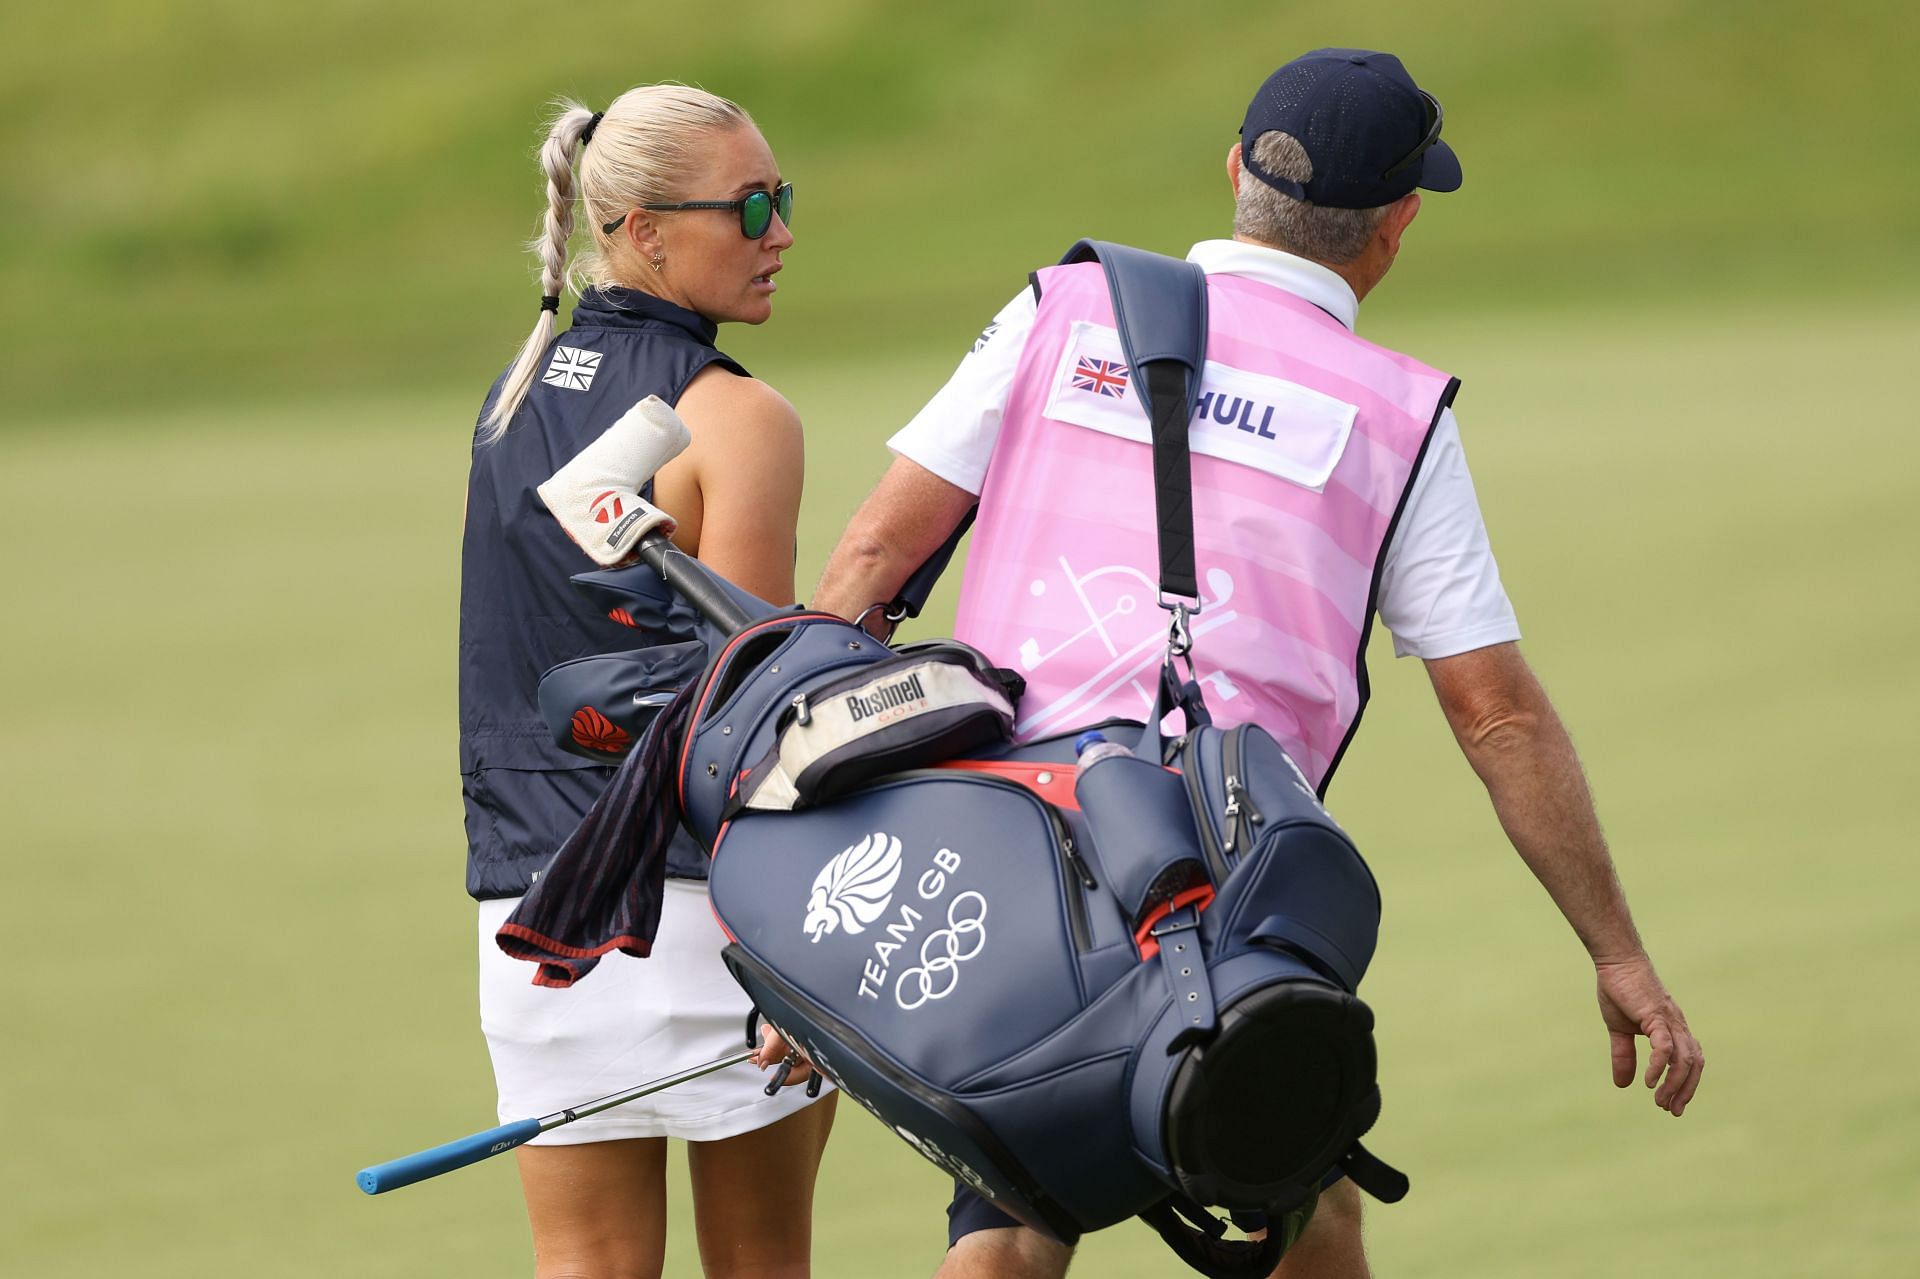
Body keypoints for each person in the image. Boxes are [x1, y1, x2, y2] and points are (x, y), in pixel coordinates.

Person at [811, 48, 1703, 1279]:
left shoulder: (1061, 308)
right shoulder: (1399, 416)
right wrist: (1619, 954)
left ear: (1235, 171)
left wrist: (820, 851)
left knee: (1014, 1219)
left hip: (997, 841)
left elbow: (868, 559)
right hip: (1216, 881)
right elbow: (1494, 715)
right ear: (1397, 228)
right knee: (1302, 1203)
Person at [459, 85, 833, 1279]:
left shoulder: (510, 402)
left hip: (535, 925)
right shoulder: (739, 415)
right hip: (701, 920)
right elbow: (747, 726)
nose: (781, 232)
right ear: (645, 231)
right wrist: (800, 962)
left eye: (782, 200)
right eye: (753, 206)